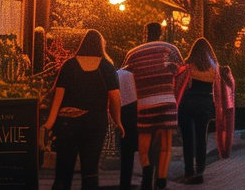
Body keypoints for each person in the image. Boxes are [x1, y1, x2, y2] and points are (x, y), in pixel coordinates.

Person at [43, 30, 123, 190]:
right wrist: (118, 122)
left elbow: (57, 97)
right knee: (90, 169)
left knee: (63, 169)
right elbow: (115, 97)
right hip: (94, 123)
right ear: (101, 46)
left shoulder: (69, 65)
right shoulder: (106, 67)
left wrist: (49, 124)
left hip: (68, 122)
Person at [125, 22, 182, 190]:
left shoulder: (133, 53)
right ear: (161, 33)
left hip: (145, 103)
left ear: (145, 33)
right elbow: (182, 69)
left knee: (144, 144)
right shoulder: (170, 49)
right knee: (165, 146)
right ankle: (161, 180)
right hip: (167, 102)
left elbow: (125, 75)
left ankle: (147, 171)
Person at [172, 38, 219, 185]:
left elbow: (179, 84)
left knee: (188, 139)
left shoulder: (187, 65)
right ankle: (200, 171)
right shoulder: (214, 67)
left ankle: (188, 172)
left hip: (187, 105)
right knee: (201, 137)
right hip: (204, 105)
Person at [112, 44, 139, 190]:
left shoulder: (119, 74)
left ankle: (125, 183)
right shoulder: (140, 74)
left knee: (126, 153)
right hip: (140, 112)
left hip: (124, 113)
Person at [212, 59, 236, 161]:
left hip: (219, 106)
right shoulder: (229, 78)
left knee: (220, 129)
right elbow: (233, 89)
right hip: (229, 105)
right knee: (228, 129)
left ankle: (222, 152)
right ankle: (227, 150)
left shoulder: (216, 78)